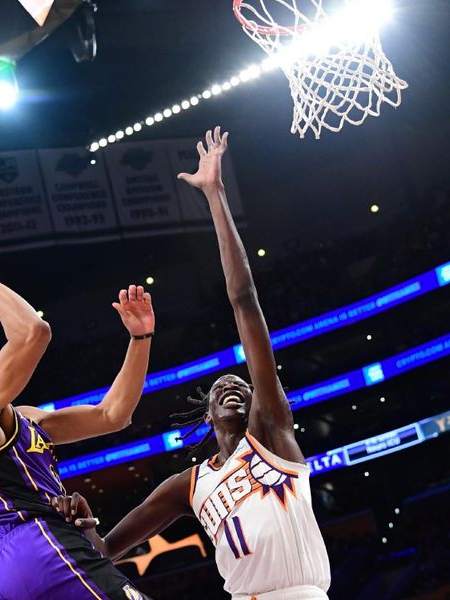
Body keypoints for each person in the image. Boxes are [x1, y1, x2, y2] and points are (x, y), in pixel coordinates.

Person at [52, 127, 331, 600]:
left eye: (242, 385)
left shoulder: (273, 435)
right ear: (207, 414)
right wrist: (83, 524)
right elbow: (104, 553)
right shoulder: (188, 486)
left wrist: (216, 195)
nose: (232, 386)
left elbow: (244, 301)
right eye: (221, 387)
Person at [0, 261, 156, 600]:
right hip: (38, 545)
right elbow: (32, 333)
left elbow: (112, 415)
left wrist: (140, 338)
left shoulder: (25, 418)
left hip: (12, 574)